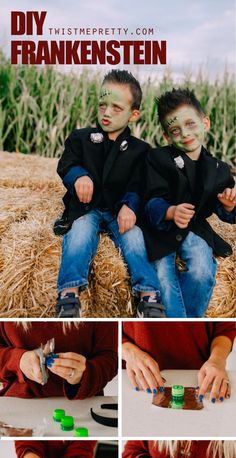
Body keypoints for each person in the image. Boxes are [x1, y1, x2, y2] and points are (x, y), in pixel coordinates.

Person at [55, 69, 165, 318]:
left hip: (119, 210)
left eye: (116, 107)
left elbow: (140, 185)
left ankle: (148, 296)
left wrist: (131, 206)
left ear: (133, 114)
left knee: (135, 237)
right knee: (79, 232)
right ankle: (69, 294)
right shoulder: (80, 138)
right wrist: (79, 176)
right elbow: (67, 164)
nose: (106, 112)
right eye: (103, 104)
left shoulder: (141, 151)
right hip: (86, 207)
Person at [141, 88, 236, 317]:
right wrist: (170, 211)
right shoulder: (157, 159)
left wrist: (229, 206)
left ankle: (185, 321)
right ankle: (177, 325)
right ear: (166, 136)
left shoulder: (220, 170)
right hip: (160, 229)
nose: (185, 133)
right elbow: (149, 199)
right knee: (163, 276)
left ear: (205, 123)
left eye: (191, 124)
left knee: (202, 272)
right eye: (175, 129)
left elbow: (223, 212)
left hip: (196, 230)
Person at [122, 321, 235, 402]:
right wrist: (128, 351)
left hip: (200, 379)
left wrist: (217, 360)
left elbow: (224, 328)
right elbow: (110, 334)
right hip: (141, 380)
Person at [0, 321, 117, 398]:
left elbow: (110, 357)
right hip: (18, 403)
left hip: (83, 404)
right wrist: (17, 360)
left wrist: (87, 374)